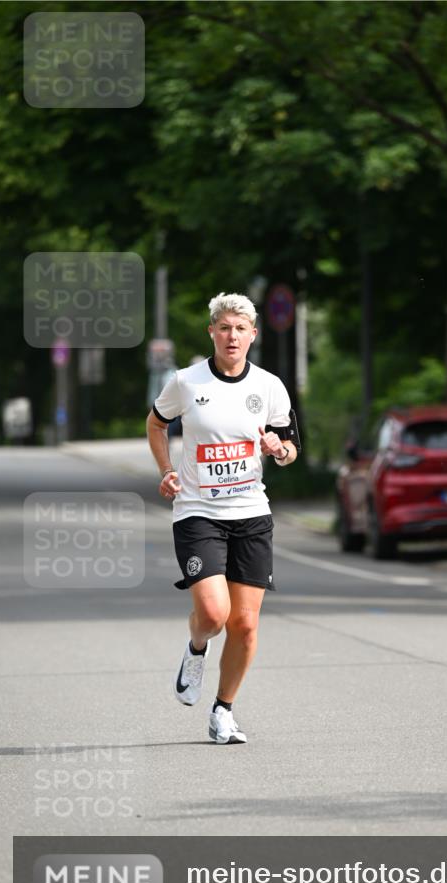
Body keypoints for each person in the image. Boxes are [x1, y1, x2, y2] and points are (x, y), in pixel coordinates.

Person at [146, 293, 299, 744]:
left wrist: (279, 450)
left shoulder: (269, 386)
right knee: (214, 615)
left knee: (245, 625)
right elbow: (156, 424)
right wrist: (167, 470)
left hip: (251, 513)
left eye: (241, 329)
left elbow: (290, 447)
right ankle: (197, 648)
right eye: (225, 328)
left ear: (253, 335)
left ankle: (223, 712)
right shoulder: (186, 382)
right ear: (212, 331)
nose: (233, 336)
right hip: (198, 512)